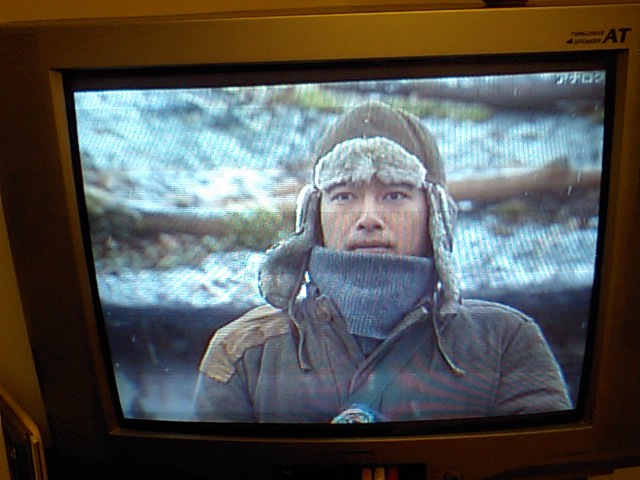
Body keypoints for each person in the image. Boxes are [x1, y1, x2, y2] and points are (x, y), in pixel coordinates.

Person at [193, 100, 571, 423]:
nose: (369, 218)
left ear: (435, 214)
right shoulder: (243, 352)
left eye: (394, 195)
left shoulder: (505, 343)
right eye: (344, 196)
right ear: (314, 216)